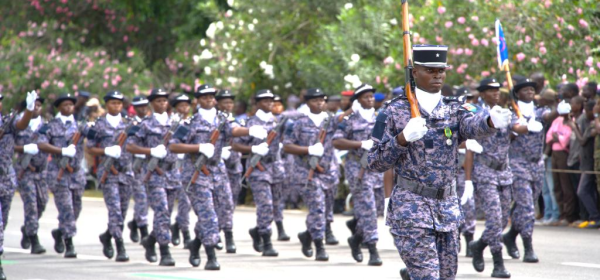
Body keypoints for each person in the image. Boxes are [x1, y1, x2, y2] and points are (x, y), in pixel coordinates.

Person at [367, 44, 511, 280]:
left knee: (446, 276)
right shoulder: (393, 111)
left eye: (441, 71)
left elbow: (472, 126)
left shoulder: (455, 108)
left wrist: (491, 122)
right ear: (415, 72)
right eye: (430, 70)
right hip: (412, 208)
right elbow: (374, 162)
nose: (437, 75)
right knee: (428, 276)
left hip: (447, 208)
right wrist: (402, 139)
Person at [169, 84, 267, 269]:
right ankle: (211, 256)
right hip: (197, 173)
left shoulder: (222, 119)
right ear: (197, 100)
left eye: (211, 97)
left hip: (218, 171)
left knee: (225, 209)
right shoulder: (189, 123)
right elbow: (174, 146)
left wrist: (250, 131)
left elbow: (234, 130)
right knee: (208, 214)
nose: (209, 100)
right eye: (204, 97)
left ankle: (196, 244)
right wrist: (197, 148)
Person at [504, 78, 558, 263]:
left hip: (537, 165)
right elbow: (513, 129)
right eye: (525, 90)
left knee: (525, 205)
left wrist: (559, 111)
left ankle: (510, 235)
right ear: (517, 93)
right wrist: (523, 127)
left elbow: (548, 116)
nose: (529, 92)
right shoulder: (512, 113)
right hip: (518, 164)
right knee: (527, 207)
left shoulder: (539, 111)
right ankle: (528, 247)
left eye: (531, 90)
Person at [283, 88, 338, 261]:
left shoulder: (331, 121)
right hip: (307, 173)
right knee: (317, 208)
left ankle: (307, 235)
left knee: (326, 210)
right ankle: (319, 246)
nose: (319, 103)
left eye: (322, 100)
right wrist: (308, 149)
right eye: (315, 100)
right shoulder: (298, 122)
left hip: (329, 172)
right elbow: (287, 146)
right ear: (307, 102)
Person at [126, 88, 180, 266]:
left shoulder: (176, 123)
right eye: (158, 101)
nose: (162, 103)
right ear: (152, 103)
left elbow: (187, 142)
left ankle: (150, 240)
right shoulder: (145, 124)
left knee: (166, 214)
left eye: (164, 100)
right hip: (155, 173)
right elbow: (131, 147)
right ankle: (164, 251)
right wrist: (150, 151)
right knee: (162, 211)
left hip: (173, 172)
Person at [332, 83, 383, 266]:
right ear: (358, 100)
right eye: (365, 97)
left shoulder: (380, 117)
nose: (370, 99)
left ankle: (356, 238)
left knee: (375, 209)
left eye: (371, 96)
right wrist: (360, 144)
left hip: (377, 168)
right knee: (368, 208)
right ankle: (372, 249)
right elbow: (336, 141)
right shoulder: (350, 119)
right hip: (357, 168)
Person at [233, 89, 288, 257]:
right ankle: (266, 241)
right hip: (258, 169)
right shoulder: (249, 122)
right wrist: (252, 148)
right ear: (256, 104)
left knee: (275, 207)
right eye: (264, 101)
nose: (269, 103)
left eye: (271, 100)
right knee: (265, 205)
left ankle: (257, 230)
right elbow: (235, 145)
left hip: (276, 167)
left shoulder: (277, 121)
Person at [466, 78, 512, 278]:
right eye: (491, 91)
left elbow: (519, 129)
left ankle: (479, 245)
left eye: (497, 90)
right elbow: (468, 147)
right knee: (494, 219)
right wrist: (468, 180)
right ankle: (498, 263)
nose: (496, 94)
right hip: (485, 172)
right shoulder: (476, 113)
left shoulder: (504, 112)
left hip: (504, 172)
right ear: (482, 94)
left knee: (502, 221)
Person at [38, 93, 87, 259]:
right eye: (65, 105)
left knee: (76, 208)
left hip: (76, 174)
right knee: (66, 208)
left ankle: (60, 232)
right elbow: (41, 144)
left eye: (71, 105)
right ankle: (69, 243)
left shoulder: (80, 125)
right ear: (59, 107)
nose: (69, 107)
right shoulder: (50, 125)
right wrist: (61, 151)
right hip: (58, 174)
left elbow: (97, 134)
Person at [86, 91, 133, 262]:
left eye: (119, 103)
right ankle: (120, 246)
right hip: (108, 172)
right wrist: (106, 151)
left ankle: (107, 236)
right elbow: (90, 148)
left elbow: (136, 144)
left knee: (122, 211)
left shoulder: (129, 124)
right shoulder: (98, 125)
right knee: (115, 211)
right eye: (113, 103)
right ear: (107, 105)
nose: (116, 106)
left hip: (126, 172)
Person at [0, 91, 37, 280]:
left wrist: (29, 110)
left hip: (5, 180)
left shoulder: (8, 123)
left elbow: (21, 124)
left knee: (3, 222)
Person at [14, 96, 48, 255]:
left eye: (39, 105)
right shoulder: (18, 124)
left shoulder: (46, 125)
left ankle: (27, 227)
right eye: (33, 105)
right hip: (25, 171)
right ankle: (34, 239)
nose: (36, 108)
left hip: (42, 172)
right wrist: (23, 148)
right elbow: (8, 144)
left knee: (42, 203)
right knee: (31, 206)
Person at [168, 94, 193, 249]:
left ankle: (183, 231)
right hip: (172, 167)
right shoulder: (171, 124)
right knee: (170, 205)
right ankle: (178, 229)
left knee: (186, 202)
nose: (184, 109)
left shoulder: (192, 123)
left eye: (186, 105)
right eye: (180, 106)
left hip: (187, 167)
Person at [546, 101, 576, 225]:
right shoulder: (557, 120)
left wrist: (558, 138)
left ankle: (569, 215)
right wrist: (557, 138)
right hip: (554, 154)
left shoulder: (571, 122)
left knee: (566, 186)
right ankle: (561, 213)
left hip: (564, 154)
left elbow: (566, 139)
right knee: (556, 186)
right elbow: (549, 137)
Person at [216, 90, 244, 218]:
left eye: (230, 102)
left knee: (232, 198)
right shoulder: (215, 121)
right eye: (225, 102)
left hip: (234, 165)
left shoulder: (238, 121)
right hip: (218, 164)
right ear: (218, 104)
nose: (228, 105)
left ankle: (226, 225)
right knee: (219, 199)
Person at [126, 96, 150, 243]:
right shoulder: (130, 124)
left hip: (150, 165)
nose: (143, 108)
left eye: (145, 105)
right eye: (139, 106)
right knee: (141, 198)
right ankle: (143, 230)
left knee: (147, 199)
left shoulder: (152, 122)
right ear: (134, 108)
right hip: (136, 165)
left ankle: (135, 223)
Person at [574, 100, 599, 228]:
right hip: (585, 161)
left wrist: (573, 127)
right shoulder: (590, 123)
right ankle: (592, 217)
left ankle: (595, 216)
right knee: (589, 190)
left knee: (582, 191)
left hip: (591, 162)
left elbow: (583, 140)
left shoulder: (595, 123)